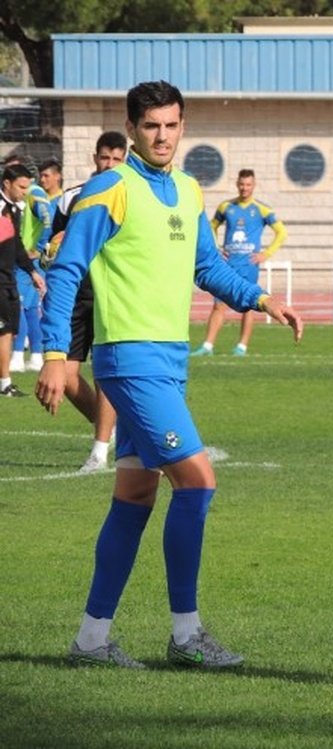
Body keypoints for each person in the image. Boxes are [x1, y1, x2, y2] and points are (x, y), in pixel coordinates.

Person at [35, 80, 303, 669]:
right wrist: (56, 354)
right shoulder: (111, 189)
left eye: (172, 125)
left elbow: (208, 267)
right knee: (199, 481)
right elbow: (67, 271)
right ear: (131, 128)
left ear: (183, 127)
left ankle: (90, 641)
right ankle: (186, 635)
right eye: (151, 125)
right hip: (128, 361)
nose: (162, 136)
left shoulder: (187, 190)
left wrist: (261, 299)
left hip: (169, 362)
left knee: (135, 493)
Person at [47, 131, 128, 472]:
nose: (108, 164)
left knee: (105, 374)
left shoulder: (131, 196)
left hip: (112, 294)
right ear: (95, 158)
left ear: (125, 159)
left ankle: (99, 451)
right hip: (78, 295)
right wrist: (52, 247)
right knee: (65, 376)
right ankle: (117, 430)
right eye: (104, 157)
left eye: (116, 159)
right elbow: (53, 242)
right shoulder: (71, 199)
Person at [191, 169, 287, 357]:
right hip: (228, 264)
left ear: (254, 185)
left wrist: (266, 254)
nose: (245, 188)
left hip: (249, 265)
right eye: (242, 184)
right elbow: (210, 227)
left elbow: (281, 232)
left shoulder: (261, 209)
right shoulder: (226, 207)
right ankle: (207, 346)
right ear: (237, 184)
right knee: (218, 305)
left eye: (248, 185)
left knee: (249, 305)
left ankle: (242, 346)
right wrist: (216, 247)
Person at [0, 163, 46, 396]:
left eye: (28, 188)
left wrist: (33, 272)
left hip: (8, 279)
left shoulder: (15, 209)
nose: (24, 192)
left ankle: (4, 383)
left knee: (8, 331)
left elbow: (16, 244)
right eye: (21, 187)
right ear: (7, 183)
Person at [8, 156, 51, 373]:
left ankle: (16, 356)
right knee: (32, 310)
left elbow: (48, 220)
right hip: (27, 258)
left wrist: (39, 247)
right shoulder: (31, 194)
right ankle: (35, 356)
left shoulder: (33, 194)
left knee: (20, 307)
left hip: (26, 259)